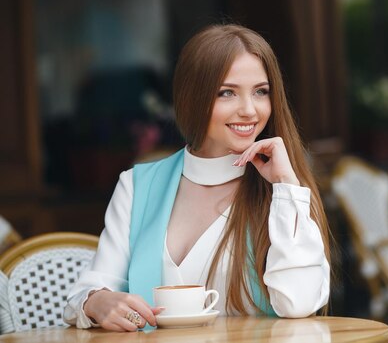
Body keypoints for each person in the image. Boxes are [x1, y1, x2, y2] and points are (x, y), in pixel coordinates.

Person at [64, 24, 331, 331]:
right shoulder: (137, 185)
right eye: (227, 93)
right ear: (193, 97)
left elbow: (300, 303)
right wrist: (96, 301)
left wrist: (286, 187)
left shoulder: (282, 191)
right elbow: (87, 293)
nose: (249, 110)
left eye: (261, 91)